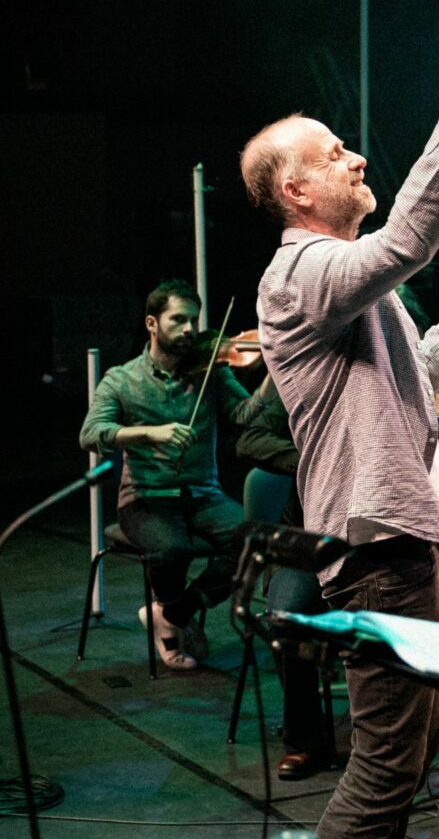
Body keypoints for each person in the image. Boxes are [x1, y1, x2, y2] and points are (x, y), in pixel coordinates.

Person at [241, 0, 439, 839]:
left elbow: (418, 374)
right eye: (336, 156)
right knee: (384, 772)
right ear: (297, 189)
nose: (357, 159)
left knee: (394, 767)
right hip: (377, 549)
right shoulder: (297, 278)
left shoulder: (346, 289)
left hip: (394, 541)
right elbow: (408, 241)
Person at [79, 279, 282, 671]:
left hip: (202, 494)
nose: (190, 329)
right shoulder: (122, 379)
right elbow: (91, 434)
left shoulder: (210, 372)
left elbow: (244, 415)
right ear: (152, 324)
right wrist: (147, 433)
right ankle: (173, 626)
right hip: (146, 498)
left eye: (194, 320)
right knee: (172, 549)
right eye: (178, 320)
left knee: (255, 542)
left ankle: (172, 615)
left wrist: (273, 375)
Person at [234, 402, 336, 780]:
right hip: (305, 541)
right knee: (287, 614)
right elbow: (250, 439)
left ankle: (391, 738)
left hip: (371, 535)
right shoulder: (305, 369)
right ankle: (305, 739)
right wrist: (309, 460)